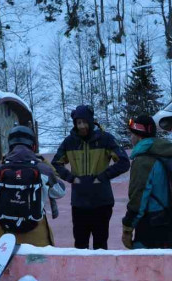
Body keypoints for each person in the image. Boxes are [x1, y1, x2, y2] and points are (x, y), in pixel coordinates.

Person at [52, 105, 130, 249]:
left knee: (100, 245)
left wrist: (102, 177)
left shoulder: (105, 139)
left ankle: (101, 272)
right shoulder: (70, 142)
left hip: (102, 202)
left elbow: (124, 162)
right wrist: (71, 178)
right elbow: (55, 163)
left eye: (84, 122)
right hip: (79, 203)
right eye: (78, 123)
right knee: (80, 245)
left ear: (90, 121)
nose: (81, 126)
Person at [0, 125, 65, 247]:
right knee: (36, 263)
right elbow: (59, 192)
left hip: (5, 232)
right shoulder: (41, 168)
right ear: (33, 146)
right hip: (35, 231)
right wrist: (47, 165)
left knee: (8, 264)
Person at [121, 115, 172, 249]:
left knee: (144, 267)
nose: (130, 138)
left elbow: (138, 198)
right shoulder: (169, 153)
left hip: (151, 226)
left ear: (138, 136)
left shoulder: (144, 160)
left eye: (132, 134)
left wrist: (127, 228)